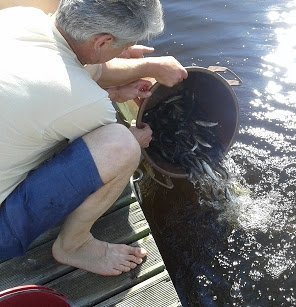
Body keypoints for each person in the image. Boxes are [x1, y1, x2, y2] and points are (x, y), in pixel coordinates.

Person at [0, 0, 188, 276]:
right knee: (122, 146)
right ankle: (73, 245)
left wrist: (149, 67)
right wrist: (135, 139)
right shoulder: (83, 102)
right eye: (124, 46)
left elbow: (76, 73)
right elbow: (101, 136)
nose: (125, 52)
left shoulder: (23, 18)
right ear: (101, 42)